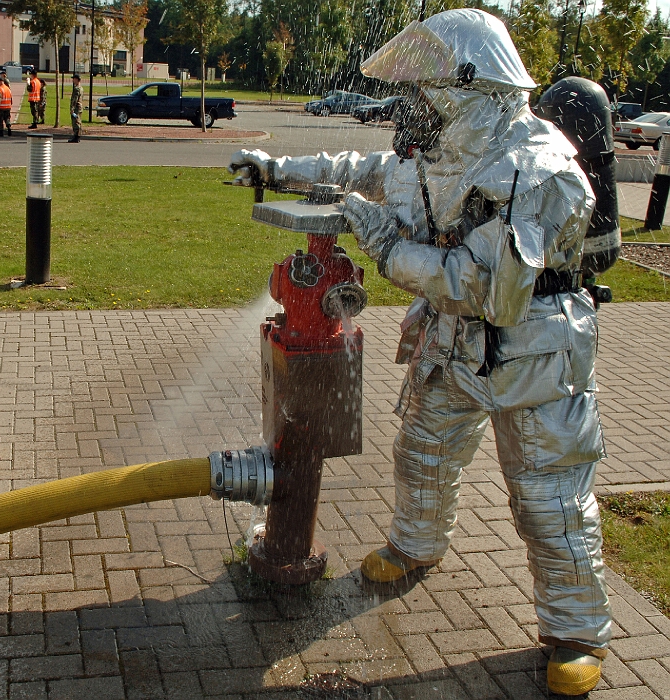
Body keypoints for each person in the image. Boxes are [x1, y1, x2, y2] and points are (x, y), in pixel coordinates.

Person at [231, 9, 609, 697]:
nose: (412, 109)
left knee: (549, 498)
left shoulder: (538, 167)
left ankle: (576, 631)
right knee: (423, 451)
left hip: (538, 351)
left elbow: (479, 285)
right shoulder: (435, 157)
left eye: (424, 93)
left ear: (469, 90)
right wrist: (276, 167)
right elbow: (363, 169)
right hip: (449, 341)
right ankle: (416, 545)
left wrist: (379, 239)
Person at [68, 73, 83, 143]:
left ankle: (76, 136)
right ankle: (78, 136)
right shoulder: (81, 88)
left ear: (77, 79)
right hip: (79, 107)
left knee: (76, 122)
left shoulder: (77, 89)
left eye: (74, 79)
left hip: (76, 108)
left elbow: (75, 99)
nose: (73, 80)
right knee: (78, 121)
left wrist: (72, 109)